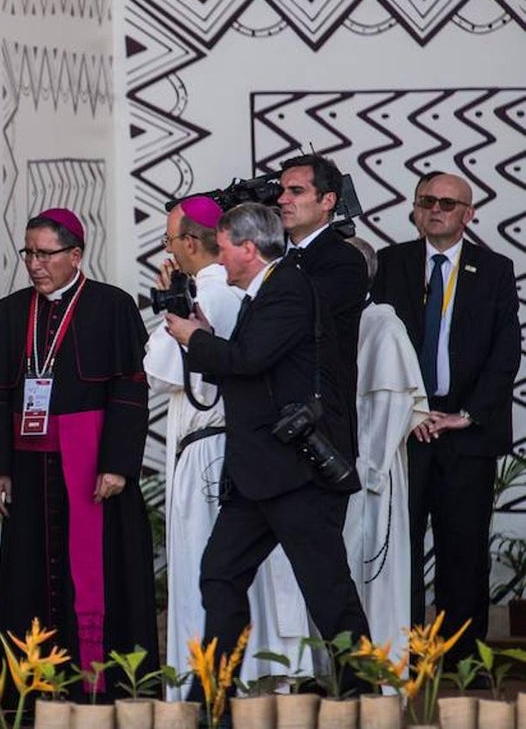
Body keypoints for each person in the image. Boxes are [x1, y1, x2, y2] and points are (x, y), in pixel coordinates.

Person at [166, 202, 369, 696]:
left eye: (226, 248)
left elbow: (250, 360)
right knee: (220, 575)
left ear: (249, 250)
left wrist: (195, 339)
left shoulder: (288, 291)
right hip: (259, 472)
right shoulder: (266, 293)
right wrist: (205, 337)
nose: (220, 258)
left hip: (296, 473)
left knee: (327, 590)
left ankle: (364, 690)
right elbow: (249, 370)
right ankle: (213, 693)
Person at [0, 208, 158, 706]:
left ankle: (100, 690)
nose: (34, 264)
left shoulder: (111, 306)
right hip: (30, 469)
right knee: (28, 577)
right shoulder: (13, 311)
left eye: (45, 253)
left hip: (92, 466)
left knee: (98, 575)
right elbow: (0, 398)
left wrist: (118, 463)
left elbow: (129, 392)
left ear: (75, 255)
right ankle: (30, 697)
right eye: (28, 253)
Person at [146, 197, 311, 698]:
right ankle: (248, 675)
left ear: (190, 244)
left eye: (170, 240)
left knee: (212, 568)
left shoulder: (216, 295)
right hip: (240, 447)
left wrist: (177, 321)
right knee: (237, 572)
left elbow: (157, 370)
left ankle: (212, 682)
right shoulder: (237, 292)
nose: (167, 250)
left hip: (210, 451)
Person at [372, 172, 519, 662]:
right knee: (401, 553)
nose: (436, 209)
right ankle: (406, 660)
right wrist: (408, 409)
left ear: (468, 214)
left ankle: (462, 667)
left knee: (463, 554)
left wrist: (466, 415)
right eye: (427, 201)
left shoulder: (494, 268)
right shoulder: (389, 264)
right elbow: (372, 346)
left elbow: (506, 353)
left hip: (466, 435)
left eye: (447, 203)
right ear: (415, 209)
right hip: (404, 433)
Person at [342, 237, 428, 652]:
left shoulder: (384, 326)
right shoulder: (333, 318)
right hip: (338, 470)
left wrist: (369, 468)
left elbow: (392, 406)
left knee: (374, 573)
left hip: (369, 472)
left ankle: (379, 668)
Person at [278, 154, 369, 448]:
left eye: (296, 191)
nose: (282, 199)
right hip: (267, 433)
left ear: (327, 201)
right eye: (281, 190)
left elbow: (296, 316)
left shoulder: (345, 260)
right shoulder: (269, 253)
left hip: (320, 428)